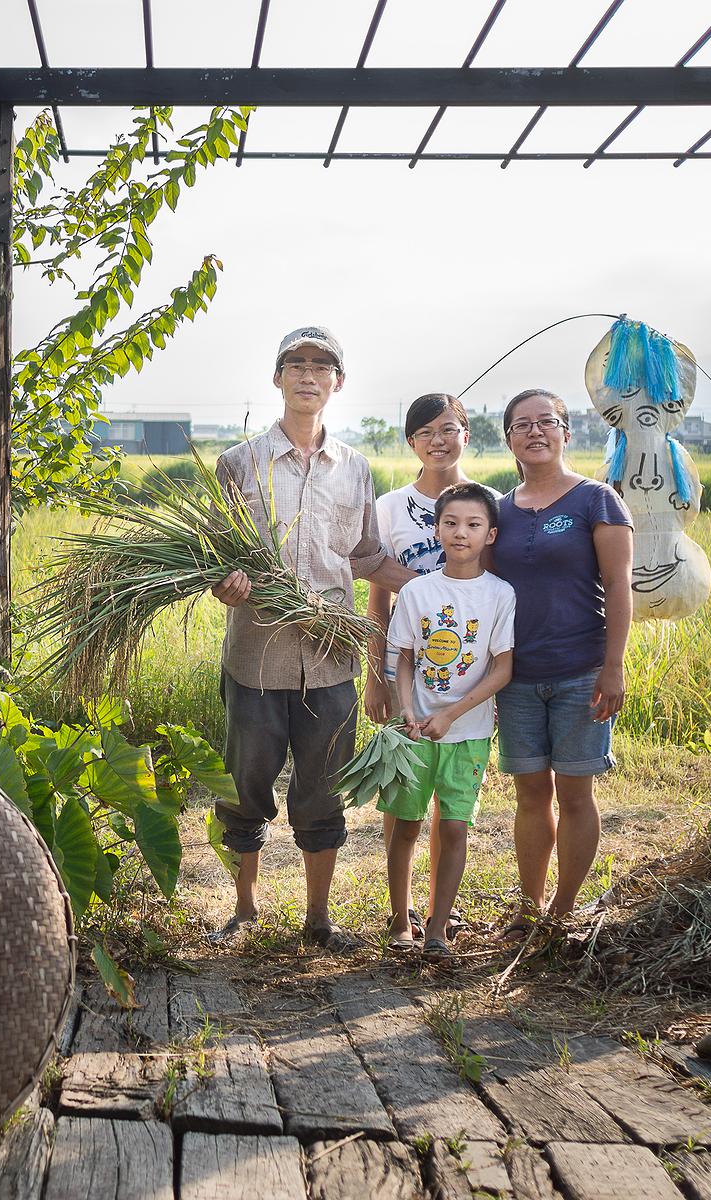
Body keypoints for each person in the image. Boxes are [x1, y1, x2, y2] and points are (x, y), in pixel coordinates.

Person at [208, 325, 414, 951]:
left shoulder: (355, 468)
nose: (307, 374)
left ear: (337, 383)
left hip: (330, 661)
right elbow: (216, 557)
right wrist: (228, 581)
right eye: (295, 363)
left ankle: (318, 918)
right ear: (277, 378)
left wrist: (445, 587)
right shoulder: (238, 463)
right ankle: (244, 910)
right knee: (245, 789)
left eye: (321, 366)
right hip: (257, 656)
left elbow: (364, 555)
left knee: (324, 792)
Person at [488, 388, 633, 935]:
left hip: (581, 671)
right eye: (522, 424)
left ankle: (564, 908)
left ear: (566, 433)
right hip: (517, 677)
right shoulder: (498, 510)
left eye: (546, 422)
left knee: (575, 792)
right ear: (508, 440)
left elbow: (620, 585)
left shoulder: (596, 499)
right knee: (530, 793)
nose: (535, 432)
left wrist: (613, 665)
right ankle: (529, 906)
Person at [365, 393, 497, 944]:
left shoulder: (492, 502)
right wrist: (376, 674)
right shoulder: (390, 507)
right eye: (425, 432)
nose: (438, 440)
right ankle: (401, 912)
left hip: (469, 676)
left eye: (448, 429)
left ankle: (439, 914)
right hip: (408, 672)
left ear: (466, 434)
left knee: (452, 807)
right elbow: (376, 599)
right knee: (405, 795)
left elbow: (494, 596)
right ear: (411, 442)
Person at [383, 483, 515, 956]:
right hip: (415, 733)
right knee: (406, 824)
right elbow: (402, 656)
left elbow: (503, 668)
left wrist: (451, 714)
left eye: (474, 525)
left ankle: (438, 928)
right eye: (452, 523)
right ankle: (401, 919)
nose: (462, 533)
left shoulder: (500, 595)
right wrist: (407, 707)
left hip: (469, 733)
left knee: (454, 827)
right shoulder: (418, 591)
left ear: (491, 534)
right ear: (437, 529)